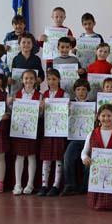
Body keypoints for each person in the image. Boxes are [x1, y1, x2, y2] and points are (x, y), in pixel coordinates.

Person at [10, 69, 41, 195]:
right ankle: (18, 184)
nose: (29, 80)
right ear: (22, 80)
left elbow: (41, 115)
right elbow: (12, 111)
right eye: (26, 78)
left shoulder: (40, 96)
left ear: (35, 80)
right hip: (19, 130)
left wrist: (41, 108)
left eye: (31, 78)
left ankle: (30, 184)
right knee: (19, 156)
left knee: (31, 156)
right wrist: (10, 104)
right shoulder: (16, 94)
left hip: (32, 130)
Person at [38, 69, 67, 197]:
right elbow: (40, 115)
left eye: (54, 79)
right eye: (49, 79)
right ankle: (44, 185)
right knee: (46, 157)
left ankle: (56, 185)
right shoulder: (44, 95)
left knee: (58, 157)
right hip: (47, 129)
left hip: (59, 130)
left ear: (59, 80)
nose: (51, 82)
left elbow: (66, 113)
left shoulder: (64, 94)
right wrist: (41, 108)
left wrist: (67, 108)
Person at [62, 79, 92, 196]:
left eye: (84, 89)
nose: (81, 92)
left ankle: (86, 186)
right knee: (67, 157)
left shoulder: (93, 104)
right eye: (78, 89)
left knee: (89, 160)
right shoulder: (70, 104)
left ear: (88, 91)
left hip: (89, 139)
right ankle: (70, 185)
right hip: (74, 138)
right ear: (74, 91)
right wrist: (66, 112)